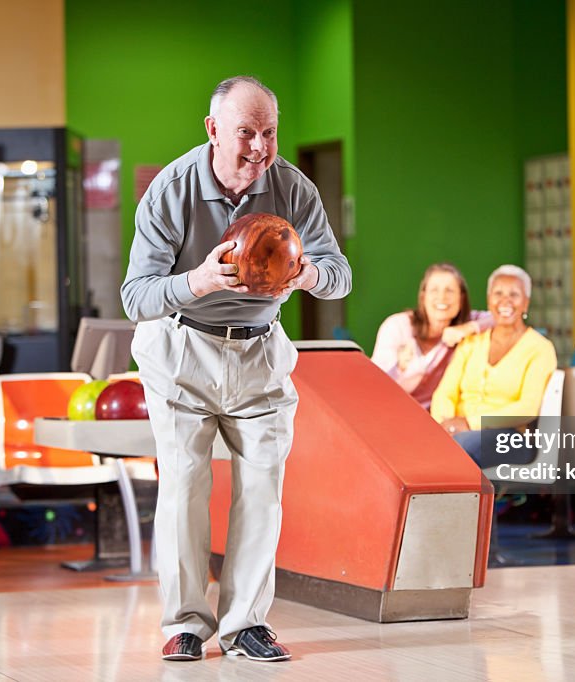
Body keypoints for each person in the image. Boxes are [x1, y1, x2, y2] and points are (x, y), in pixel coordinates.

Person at [121, 76, 351, 663]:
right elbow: (136, 297)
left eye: (269, 133)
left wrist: (305, 275)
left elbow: (339, 274)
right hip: (182, 350)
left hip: (260, 351)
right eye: (245, 132)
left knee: (262, 489)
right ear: (213, 129)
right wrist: (196, 281)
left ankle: (245, 623)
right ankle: (185, 624)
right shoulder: (171, 190)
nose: (258, 147)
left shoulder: (293, 189)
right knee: (183, 487)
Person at [430, 265, 557, 468]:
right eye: (498, 293)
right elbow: (444, 393)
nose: (505, 300)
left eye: (514, 294)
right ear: (489, 300)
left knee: (460, 447)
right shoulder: (471, 342)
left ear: (526, 303)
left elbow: (527, 408)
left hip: (511, 438)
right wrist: (444, 424)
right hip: (458, 432)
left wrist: (470, 423)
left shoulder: (540, 348)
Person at [371, 263, 492, 409]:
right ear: (423, 296)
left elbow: (501, 317)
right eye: (434, 290)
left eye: (450, 290)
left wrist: (468, 328)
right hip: (389, 412)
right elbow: (375, 384)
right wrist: (400, 368)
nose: (442, 297)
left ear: (462, 298)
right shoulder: (397, 326)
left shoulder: (467, 324)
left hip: (434, 420)